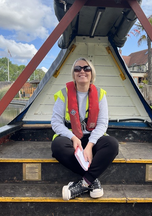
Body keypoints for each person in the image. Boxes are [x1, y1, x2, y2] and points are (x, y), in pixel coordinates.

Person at [51, 57, 119, 201]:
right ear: (73, 74)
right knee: (57, 146)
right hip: (71, 137)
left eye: (86, 68)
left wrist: (89, 145)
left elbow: (102, 124)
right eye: (77, 68)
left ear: (91, 73)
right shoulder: (63, 94)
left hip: (92, 138)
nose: (82, 71)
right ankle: (93, 181)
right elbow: (56, 123)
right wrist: (73, 138)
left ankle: (83, 183)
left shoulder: (100, 94)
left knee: (112, 144)